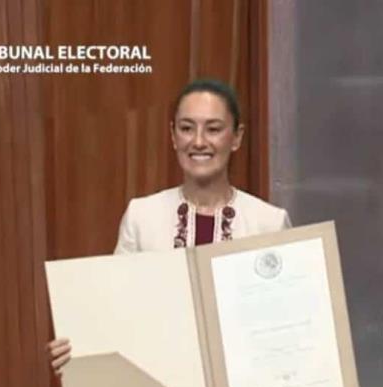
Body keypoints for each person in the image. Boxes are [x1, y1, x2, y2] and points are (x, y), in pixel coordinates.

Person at [48, 78, 291, 371]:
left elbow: (286, 327)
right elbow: (115, 313)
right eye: (187, 128)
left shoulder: (270, 222)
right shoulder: (141, 216)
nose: (198, 141)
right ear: (173, 136)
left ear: (236, 137)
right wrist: (79, 350)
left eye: (213, 129)